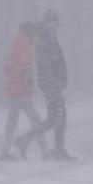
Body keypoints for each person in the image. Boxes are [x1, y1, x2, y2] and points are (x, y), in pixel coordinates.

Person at [16, 10, 76, 161]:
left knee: (53, 117)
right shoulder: (45, 39)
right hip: (50, 85)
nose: (57, 27)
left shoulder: (48, 38)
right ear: (49, 23)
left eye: (57, 25)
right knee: (59, 116)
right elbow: (46, 64)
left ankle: (26, 140)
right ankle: (57, 149)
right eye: (55, 24)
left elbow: (55, 62)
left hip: (51, 84)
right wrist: (54, 82)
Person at [0, 22, 47, 161]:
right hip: (20, 91)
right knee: (35, 119)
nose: (37, 35)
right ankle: (44, 150)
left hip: (15, 89)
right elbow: (23, 68)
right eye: (35, 32)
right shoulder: (23, 45)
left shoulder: (21, 43)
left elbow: (12, 68)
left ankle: (5, 152)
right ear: (30, 32)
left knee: (13, 122)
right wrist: (26, 83)